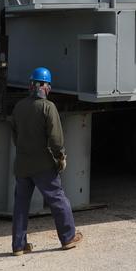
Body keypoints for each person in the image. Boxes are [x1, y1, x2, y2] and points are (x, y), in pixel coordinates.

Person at [9, 66, 83, 255]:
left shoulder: (19, 107)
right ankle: (68, 238)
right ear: (44, 86)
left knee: (20, 206)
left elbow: (15, 137)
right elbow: (56, 139)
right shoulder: (47, 107)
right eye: (47, 86)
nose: (48, 89)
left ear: (30, 85)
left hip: (22, 165)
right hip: (43, 165)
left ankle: (18, 245)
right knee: (58, 200)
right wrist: (60, 157)